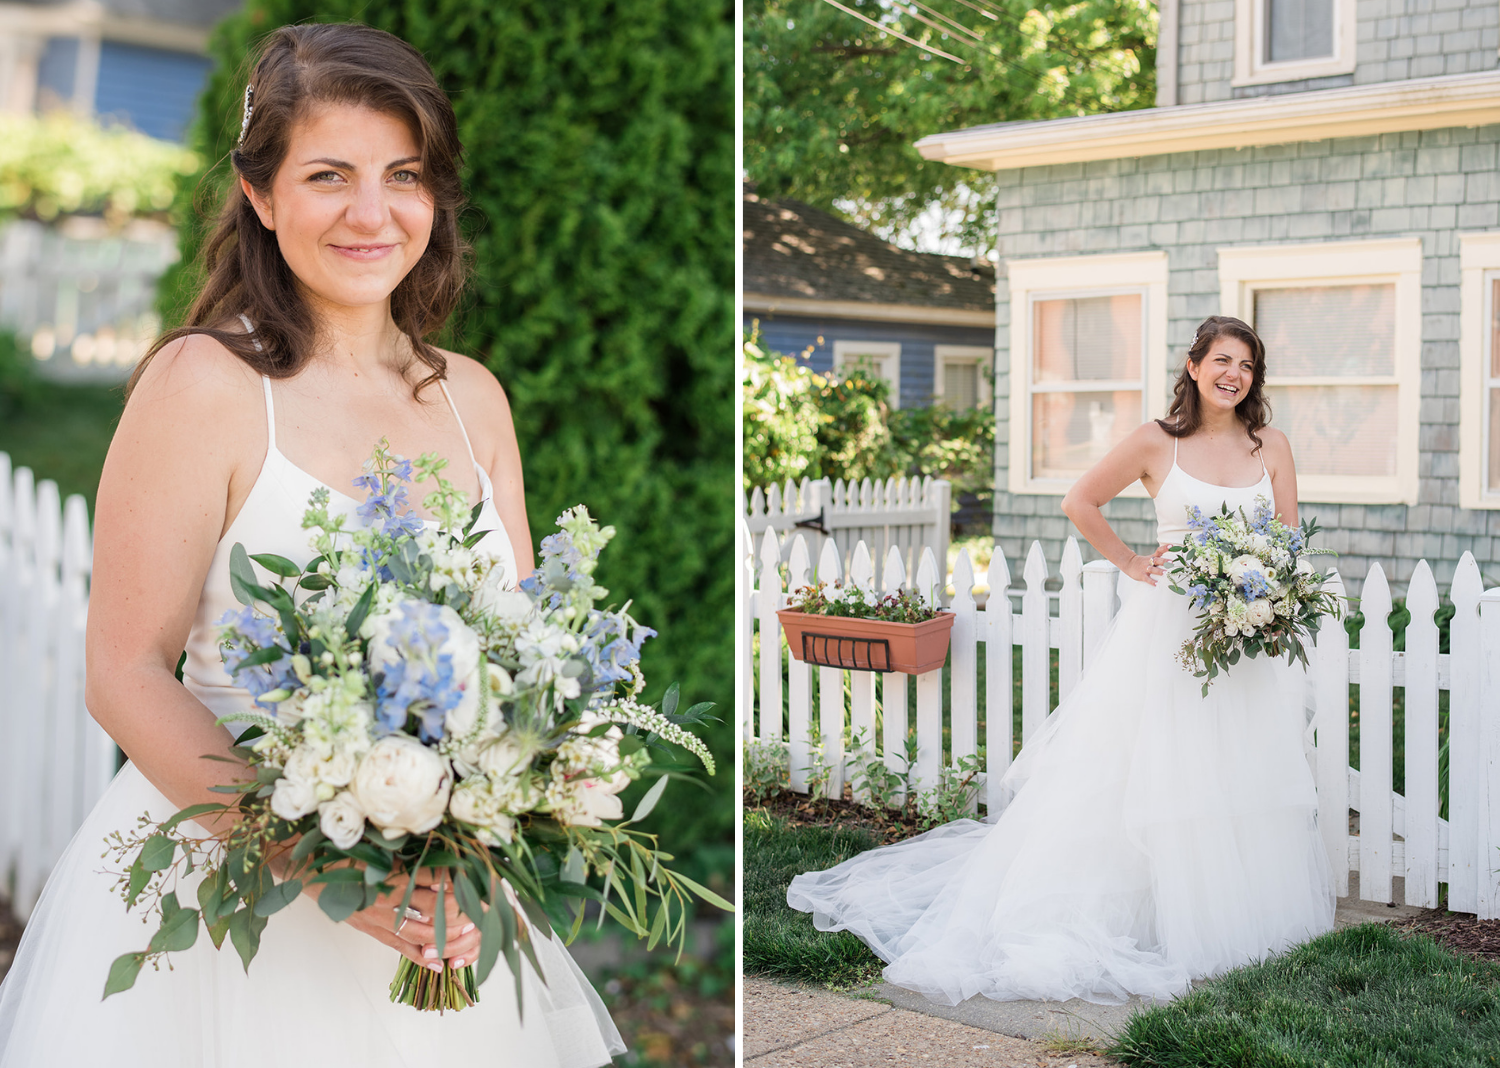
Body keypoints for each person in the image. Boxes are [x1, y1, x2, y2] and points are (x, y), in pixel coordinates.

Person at [0, 24, 624, 1067]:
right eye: (329, 174)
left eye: (404, 175)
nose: (372, 213)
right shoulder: (204, 384)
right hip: (228, 903)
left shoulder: (472, 397)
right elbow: (123, 673)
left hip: (446, 904)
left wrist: (507, 799)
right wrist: (333, 873)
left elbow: (521, 656)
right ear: (260, 194)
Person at [787, 315, 1336, 1006]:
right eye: (1222, 360)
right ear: (1193, 366)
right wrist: (1134, 561)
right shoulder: (1154, 442)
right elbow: (1080, 500)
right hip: (1171, 632)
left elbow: (1287, 540)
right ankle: (1151, 911)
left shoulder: (1272, 446)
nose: (1235, 374)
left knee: (1240, 765)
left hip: (1248, 638)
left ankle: (1238, 910)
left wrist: (1272, 594)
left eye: (1248, 366)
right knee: (1162, 767)